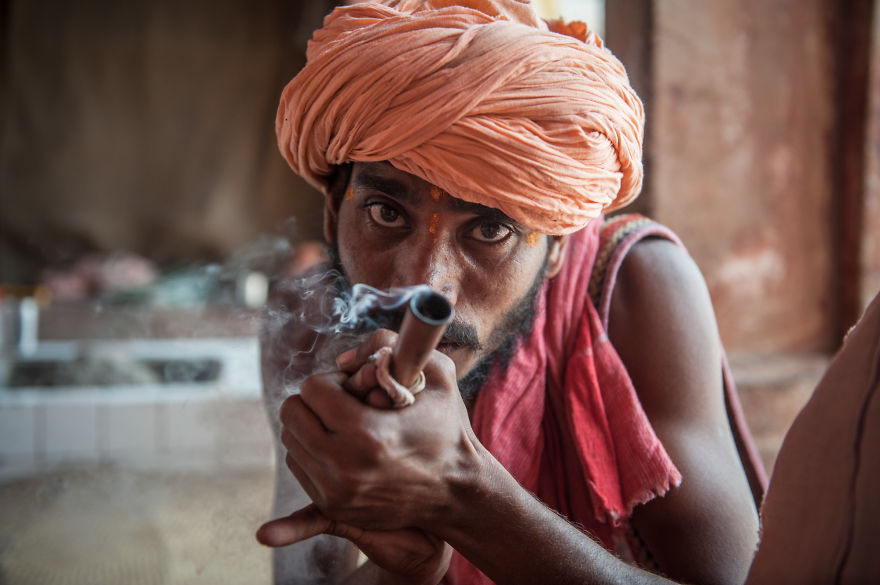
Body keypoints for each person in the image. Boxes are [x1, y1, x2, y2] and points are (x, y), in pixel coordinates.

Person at [256, 1, 761, 584]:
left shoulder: (636, 288)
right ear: (330, 213)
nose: (425, 285)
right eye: (384, 211)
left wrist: (461, 495)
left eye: (491, 230)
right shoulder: (304, 322)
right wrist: (404, 575)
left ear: (558, 251)